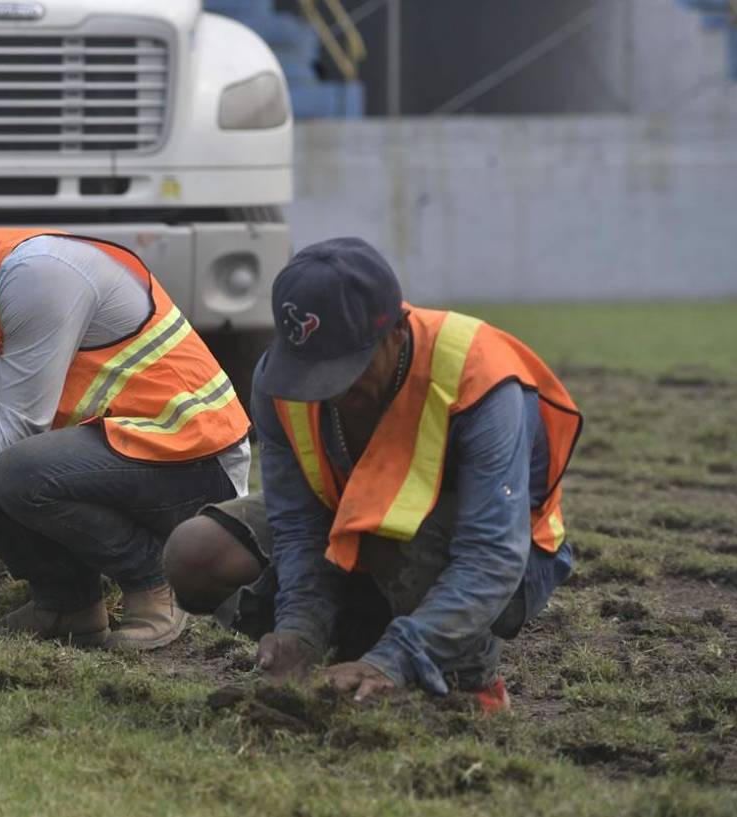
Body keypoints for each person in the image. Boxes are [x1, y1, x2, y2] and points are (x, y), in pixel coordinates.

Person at [163, 238, 581, 709]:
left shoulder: (480, 380)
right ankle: (351, 649)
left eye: (346, 373)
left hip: (504, 558)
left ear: (397, 332)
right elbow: (297, 524)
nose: (331, 395)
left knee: (383, 519)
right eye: (312, 373)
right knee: (197, 552)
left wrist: (397, 658)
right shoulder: (277, 381)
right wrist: (301, 629)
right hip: (354, 529)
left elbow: (493, 555)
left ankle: (468, 681)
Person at [0, 215, 252, 650]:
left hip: (192, 463)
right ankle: (67, 604)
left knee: (18, 468)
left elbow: (19, 430)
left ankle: (154, 578)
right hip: (120, 460)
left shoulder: (35, 275)